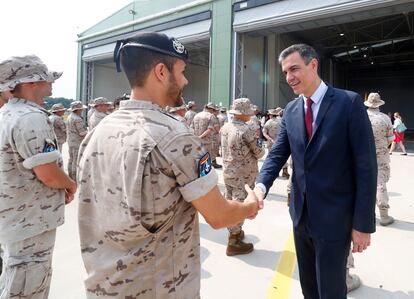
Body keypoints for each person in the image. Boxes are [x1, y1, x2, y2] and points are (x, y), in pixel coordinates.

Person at [77, 32, 259, 299]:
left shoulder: (100, 129)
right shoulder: (174, 135)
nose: (185, 80)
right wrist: (250, 206)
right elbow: (218, 216)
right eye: (182, 71)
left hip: (106, 285)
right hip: (159, 287)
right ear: (161, 72)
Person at [254, 44, 377, 299]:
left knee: (331, 290)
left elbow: (366, 166)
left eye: (294, 69)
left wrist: (362, 223)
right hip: (301, 216)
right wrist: (260, 187)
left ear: (313, 65)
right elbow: (278, 154)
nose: (289, 77)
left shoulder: (348, 102)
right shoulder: (291, 109)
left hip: (335, 219)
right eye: (285, 72)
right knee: (309, 287)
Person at [0, 55, 76, 298]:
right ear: (32, 82)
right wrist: (70, 184)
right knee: (27, 284)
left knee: (15, 277)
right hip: (30, 222)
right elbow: (49, 175)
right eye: (46, 79)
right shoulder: (30, 117)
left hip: (16, 216)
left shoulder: (7, 113)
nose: (51, 84)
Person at [221, 98, 265, 256]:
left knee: (230, 201)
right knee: (240, 205)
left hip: (229, 172)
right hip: (243, 175)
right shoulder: (246, 130)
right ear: (243, 114)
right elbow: (259, 152)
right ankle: (233, 241)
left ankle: (234, 232)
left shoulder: (225, 127)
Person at [365, 93, 395, 226]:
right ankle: (384, 216)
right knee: (380, 183)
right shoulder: (385, 119)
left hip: (362, 156)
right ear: (379, 104)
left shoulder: (361, 117)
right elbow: (390, 139)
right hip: (381, 156)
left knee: (362, 183)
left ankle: (365, 215)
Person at [193, 102, 222, 168]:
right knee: (206, 158)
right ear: (211, 109)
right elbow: (209, 130)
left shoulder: (197, 115)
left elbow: (192, 127)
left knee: (198, 155)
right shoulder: (211, 116)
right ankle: (204, 173)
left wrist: (196, 137)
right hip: (206, 141)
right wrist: (201, 137)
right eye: (213, 110)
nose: (214, 111)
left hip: (196, 139)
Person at [262, 107, 289, 179]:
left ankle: (275, 172)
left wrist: (270, 139)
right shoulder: (281, 121)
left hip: (271, 142)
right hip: (281, 142)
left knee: (272, 157)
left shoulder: (268, 122)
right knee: (282, 156)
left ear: (270, 115)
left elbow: (264, 133)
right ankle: (285, 171)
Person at [66, 101, 87, 180]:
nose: (82, 110)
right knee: (76, 160)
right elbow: (82, 133)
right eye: (81, 109)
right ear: (78, 110)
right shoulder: (78, 119)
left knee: (71, 159)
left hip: (71, 141)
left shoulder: (70, 116)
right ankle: (75, 178)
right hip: (77, 142)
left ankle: (70, 175)